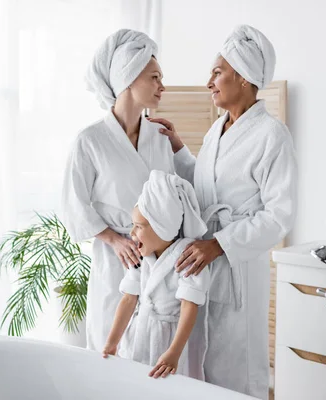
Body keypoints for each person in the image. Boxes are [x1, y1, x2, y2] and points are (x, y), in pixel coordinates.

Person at [149, 25, 297, 399]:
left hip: (237, 269)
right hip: (205, 264)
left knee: (238, 369)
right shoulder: (218, 129)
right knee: (204, 368)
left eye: (217, 72)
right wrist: (180, 149)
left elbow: (280, 216)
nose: (209, 82)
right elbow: (207, 186)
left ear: (244, 77)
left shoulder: (271, 135)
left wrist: (219, 244)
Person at [60, 29, 175, 351]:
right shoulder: (91, 139)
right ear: (128, 78)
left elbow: (176, 195)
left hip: (158, 256)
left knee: (152, 346)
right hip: (116, 258)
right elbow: (74, 203)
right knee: (112, 341)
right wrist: (114, 239)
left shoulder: (159, 136)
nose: (162, 86)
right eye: (154, 77)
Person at [102, 170, 210, 380]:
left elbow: (190, 306)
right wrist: (112, 341)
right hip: (138, 332)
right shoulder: (141, 256)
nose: (132, 233)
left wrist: (174, 352)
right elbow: (128, 298)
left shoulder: (188, 256)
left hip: (169, 339)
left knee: (167, 388)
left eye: (139, 226)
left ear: (163, 228)